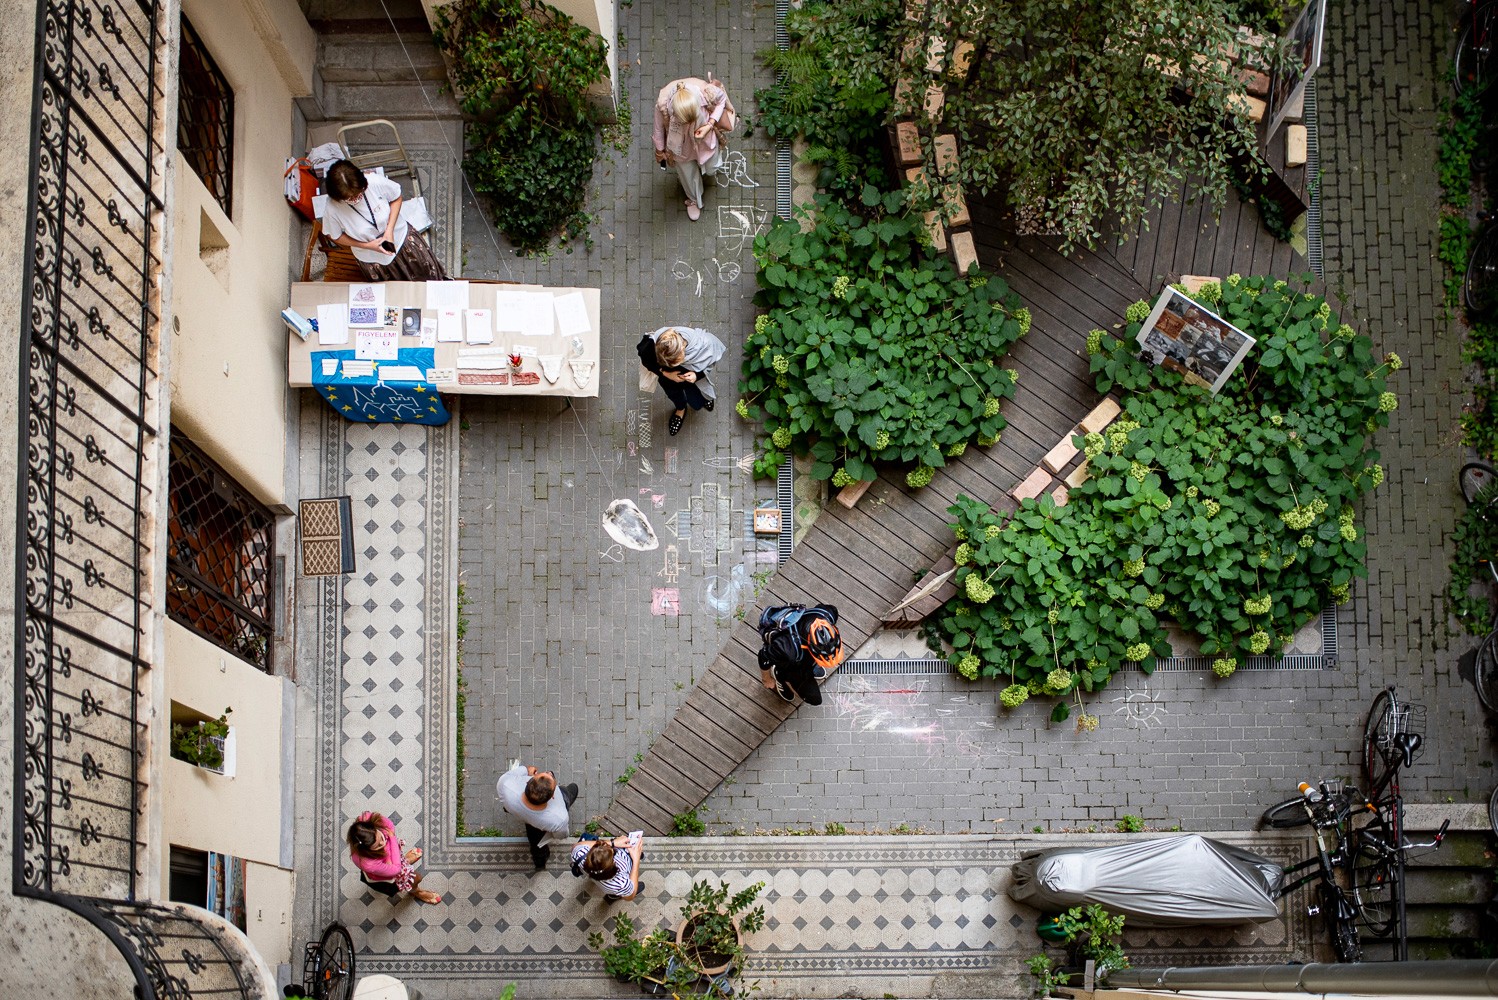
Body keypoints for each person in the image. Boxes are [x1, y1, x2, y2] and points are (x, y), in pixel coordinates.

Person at [321, 159, 449, 281]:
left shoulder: (374, 181)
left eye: (359, 193)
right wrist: (367, 246)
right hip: (373, 258)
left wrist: (389, 230)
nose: (356, 199)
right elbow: (335, 235)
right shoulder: (332, 208)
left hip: (401, 241)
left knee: (426, 278)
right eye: (350, 198)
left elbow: (396, 197)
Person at [653, 75, 737, 221]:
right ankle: (693, 199)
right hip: (680, 147)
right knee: (688, 175)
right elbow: (658, 129)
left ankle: (708, 169)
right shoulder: (663, 107)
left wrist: (710, 124)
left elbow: (721, 100)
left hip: (705, 141)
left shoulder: (706, 93)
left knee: (712, 167)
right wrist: (659, 150)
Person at [636, 326, 727, 436]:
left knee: (696, 400)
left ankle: (703, 400)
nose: (670, 366)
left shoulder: (704, 345)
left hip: (691, 380)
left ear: (683, 349)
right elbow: (647, 360)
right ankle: (680, 409)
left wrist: (697, 375)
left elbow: (709, 364)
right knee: (674, 395)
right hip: (668, 380)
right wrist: (665, 373)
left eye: (674, 363)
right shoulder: (654, 343)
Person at [346, 811, 442, 904]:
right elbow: (396, 869)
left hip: (389, 864)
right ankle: (416, 891)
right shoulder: (369, 864)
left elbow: (389, 825)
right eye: (378, 846)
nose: (382, 843)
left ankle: (404, 861)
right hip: (388, 876)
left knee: (398, 859)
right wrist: (391, 838)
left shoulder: (364, 823)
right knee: (417, 879)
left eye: (380, 837)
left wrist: (390, 853)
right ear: (366, 850)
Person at [497, 760, 577, 870]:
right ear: (552, 796)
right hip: (541, 825)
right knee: (572, 790)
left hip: (519, 812)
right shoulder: (559, 818)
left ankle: (539, 863)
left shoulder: (505, 784)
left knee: (536, 845)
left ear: (527, 782)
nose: (549, 773)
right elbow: (561, 835)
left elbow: (525, 769)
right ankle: (540, 863)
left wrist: (528, 770)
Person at [570, 832, 645, 901]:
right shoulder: (622, 884)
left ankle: (613, 894)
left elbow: (577, 846)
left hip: (606, 885)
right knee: (629, 889)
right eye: (613, 852)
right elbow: (629, 897)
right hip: (624, 876)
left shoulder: (580, 854)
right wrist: (636, 859)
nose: (610, 846)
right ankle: (618, 893)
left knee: (586, 836)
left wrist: (613, 842)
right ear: (614, 865)